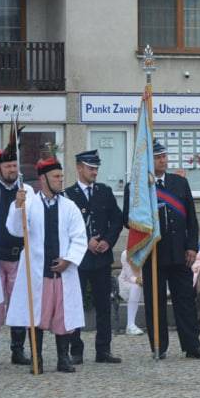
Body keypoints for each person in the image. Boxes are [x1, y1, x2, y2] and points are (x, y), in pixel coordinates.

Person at [124, 140, 200, 360]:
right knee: (156, 303)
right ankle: (159, 346)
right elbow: (129, 219)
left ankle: (192, 345)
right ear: (148, 160)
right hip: (153, 253)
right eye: (157, 157)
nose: (162, 160)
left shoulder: (178, 183)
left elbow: (192, 219)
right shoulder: (137, 188)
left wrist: (192, 246)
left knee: (185, 301)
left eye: (164, 156)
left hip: (180, 253)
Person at [5, 157, 87, 373]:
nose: (61, 180)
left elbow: (79, 237)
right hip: (37, 273)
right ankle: (37, 358)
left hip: (61, 273)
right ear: (43, 179)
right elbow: (15, 230)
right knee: (37, 316)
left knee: (62, 315)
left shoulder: (69, 207)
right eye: (56, 177)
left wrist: (68, 260)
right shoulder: (29, 203)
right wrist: (17, 206)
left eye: (61, 176)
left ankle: (63, 358)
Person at [64, 149, 123, 364]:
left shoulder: (104, 192)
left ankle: (103, 349)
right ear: (79, 168)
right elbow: (67, 226)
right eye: (90, 168)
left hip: (101, 257)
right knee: (75, 304)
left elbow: (117, 219)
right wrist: (85, 241)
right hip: (80, 259)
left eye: (96, 169)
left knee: (103, 305)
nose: (94, 172)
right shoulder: (68, 194)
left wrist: (108, 240)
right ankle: (76, 349)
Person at [0, 144, 32, 366]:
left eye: (15, 165)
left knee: (18, 303)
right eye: (8, 166)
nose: (13, 169)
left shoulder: (28, 191)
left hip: (19, 257)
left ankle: (17, 350)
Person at [117, 249, 144, 336]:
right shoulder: (126, 254)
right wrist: (141, 281)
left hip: (144, 282)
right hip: (127, 282)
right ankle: (130, 325)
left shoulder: (148, 251)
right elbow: (130, 276)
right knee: (136, 287)